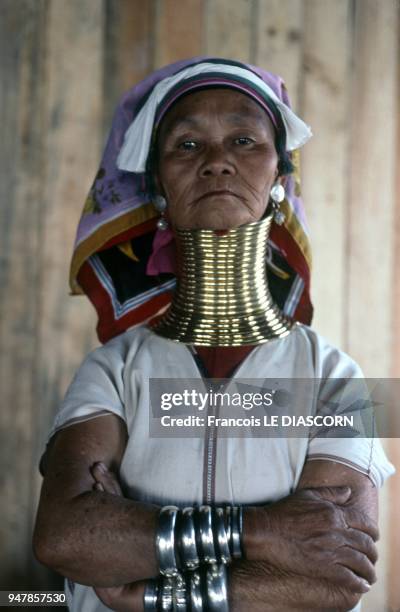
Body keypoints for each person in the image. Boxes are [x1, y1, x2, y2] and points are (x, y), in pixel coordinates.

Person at [33, 57, 395, 612]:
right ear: (158, 186)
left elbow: (337, 579)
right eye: (187, 145)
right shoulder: (112, 369)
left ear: (280, 175)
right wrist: (265, 532)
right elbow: (64, 537)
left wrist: (142, 592)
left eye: (245, 140)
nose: (218, 162)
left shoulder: (335, 377)